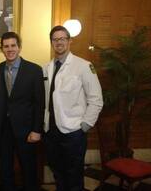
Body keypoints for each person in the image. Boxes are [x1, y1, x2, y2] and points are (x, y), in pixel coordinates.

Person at [43, 25, 103, 191]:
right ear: (51, 43)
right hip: (51, 132)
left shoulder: (84, 66)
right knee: (58, 173)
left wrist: (85, 125)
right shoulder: (46, 68)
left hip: (73, 133)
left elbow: (96, 99)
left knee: (74, 175)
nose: (59, 42)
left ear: (70, 41)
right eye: (55, 39)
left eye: (62, 38)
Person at [0, 32, 45, 191]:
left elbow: (39, 103)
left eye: (13, 45)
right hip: (4, 131)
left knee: (29, 169)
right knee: (6, 170)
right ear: (2, 49)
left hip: (27, 131)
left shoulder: (34, 70)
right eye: (6, 46)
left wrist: (37, 130)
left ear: (19, 47)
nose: (10, 49)